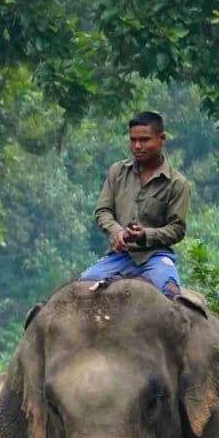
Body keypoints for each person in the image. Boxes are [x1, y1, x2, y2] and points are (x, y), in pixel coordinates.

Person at [81, 111, 189, 299]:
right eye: (133, 140)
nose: (137, 146)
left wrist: (145, 235)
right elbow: (103, 211)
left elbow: (177, 229)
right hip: (119, 256)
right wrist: (117, 232)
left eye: (145, 140)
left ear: (161, 139)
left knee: (171, 296)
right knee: (83, 288)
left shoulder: (177, 184)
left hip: (154, 257)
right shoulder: (117, 172)